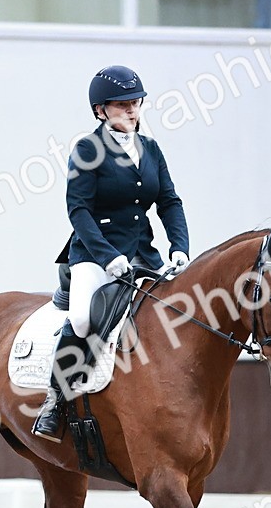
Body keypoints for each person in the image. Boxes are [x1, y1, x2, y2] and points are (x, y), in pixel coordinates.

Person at [33, 65, 191, 442]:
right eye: (122, 106)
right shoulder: (87, 149)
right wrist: (107, 257)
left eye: (136, 104)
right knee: (85, 319)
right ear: (101, 110)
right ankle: (54, 402)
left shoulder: (151, 149)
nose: (132, 111)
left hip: (144, 255)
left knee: (178, 311)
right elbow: (78, 210)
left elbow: (169, 201)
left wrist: (180, 246)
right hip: (94, 254)